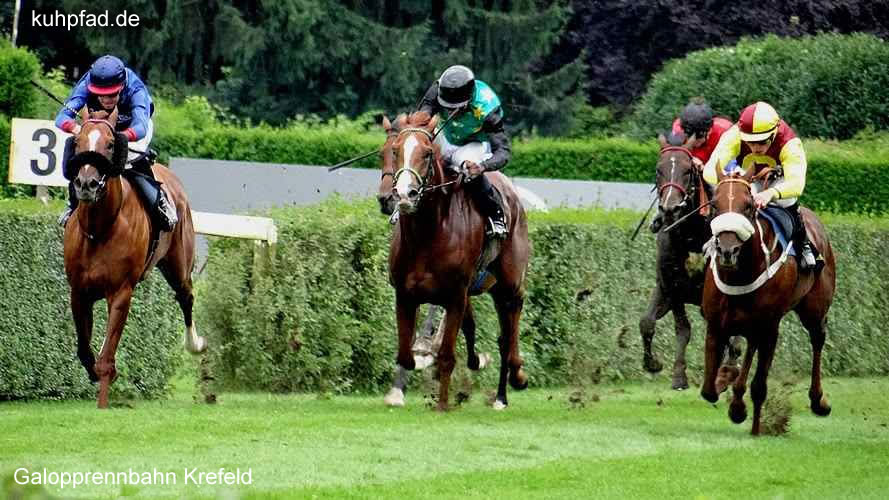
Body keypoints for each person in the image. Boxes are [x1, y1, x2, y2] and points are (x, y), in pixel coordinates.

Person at [55, 55, 177, 231]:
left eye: (112, 94)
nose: (106, 100)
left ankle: (160, 204)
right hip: (101, 127)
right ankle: (72, 203)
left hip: (131, 127)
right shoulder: (87, 82)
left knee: (129, 159)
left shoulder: (136, 89)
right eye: (100, 95)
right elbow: (61, 118)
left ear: (122, 86)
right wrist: (78, 130)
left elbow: (141, 127)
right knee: (81, 152)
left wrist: (120, 137)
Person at [703, 101, 820, 270]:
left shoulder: (790, 143)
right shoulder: (734, 135)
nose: (756, 148)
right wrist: (731, 181)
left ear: (773, 134)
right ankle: (715, 240)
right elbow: (709, 170)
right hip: (747, 179)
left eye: (762, 142)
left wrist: (771, 193)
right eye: (750, 142)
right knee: (731, 199)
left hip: (779, 180)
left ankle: (803, 244)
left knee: (787, 201)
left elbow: (797, 183)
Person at [417, 65, 511, 238]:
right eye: (448, 106)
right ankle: (405, 198)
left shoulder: (488, 108)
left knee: (467, 168)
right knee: (417, 152)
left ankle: (495, 214)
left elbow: (503, 151)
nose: (451, 111)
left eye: (457, 107)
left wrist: (482, 167)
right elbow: (422, 115)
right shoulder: (438, 88)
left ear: (469, 98)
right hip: (445, 134)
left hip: (474, 143)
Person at [650, 99, 732, 233]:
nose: (695, 141)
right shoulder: (678, 127)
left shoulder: (725, 131)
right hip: (691, 164)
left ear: (709, 130)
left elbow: (728, 164)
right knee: (670, 173)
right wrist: (692, 160)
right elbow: (673, 155)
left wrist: (706, 167)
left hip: (717, 164)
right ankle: (662, 211)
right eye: (689, 136)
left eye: (699, 136)